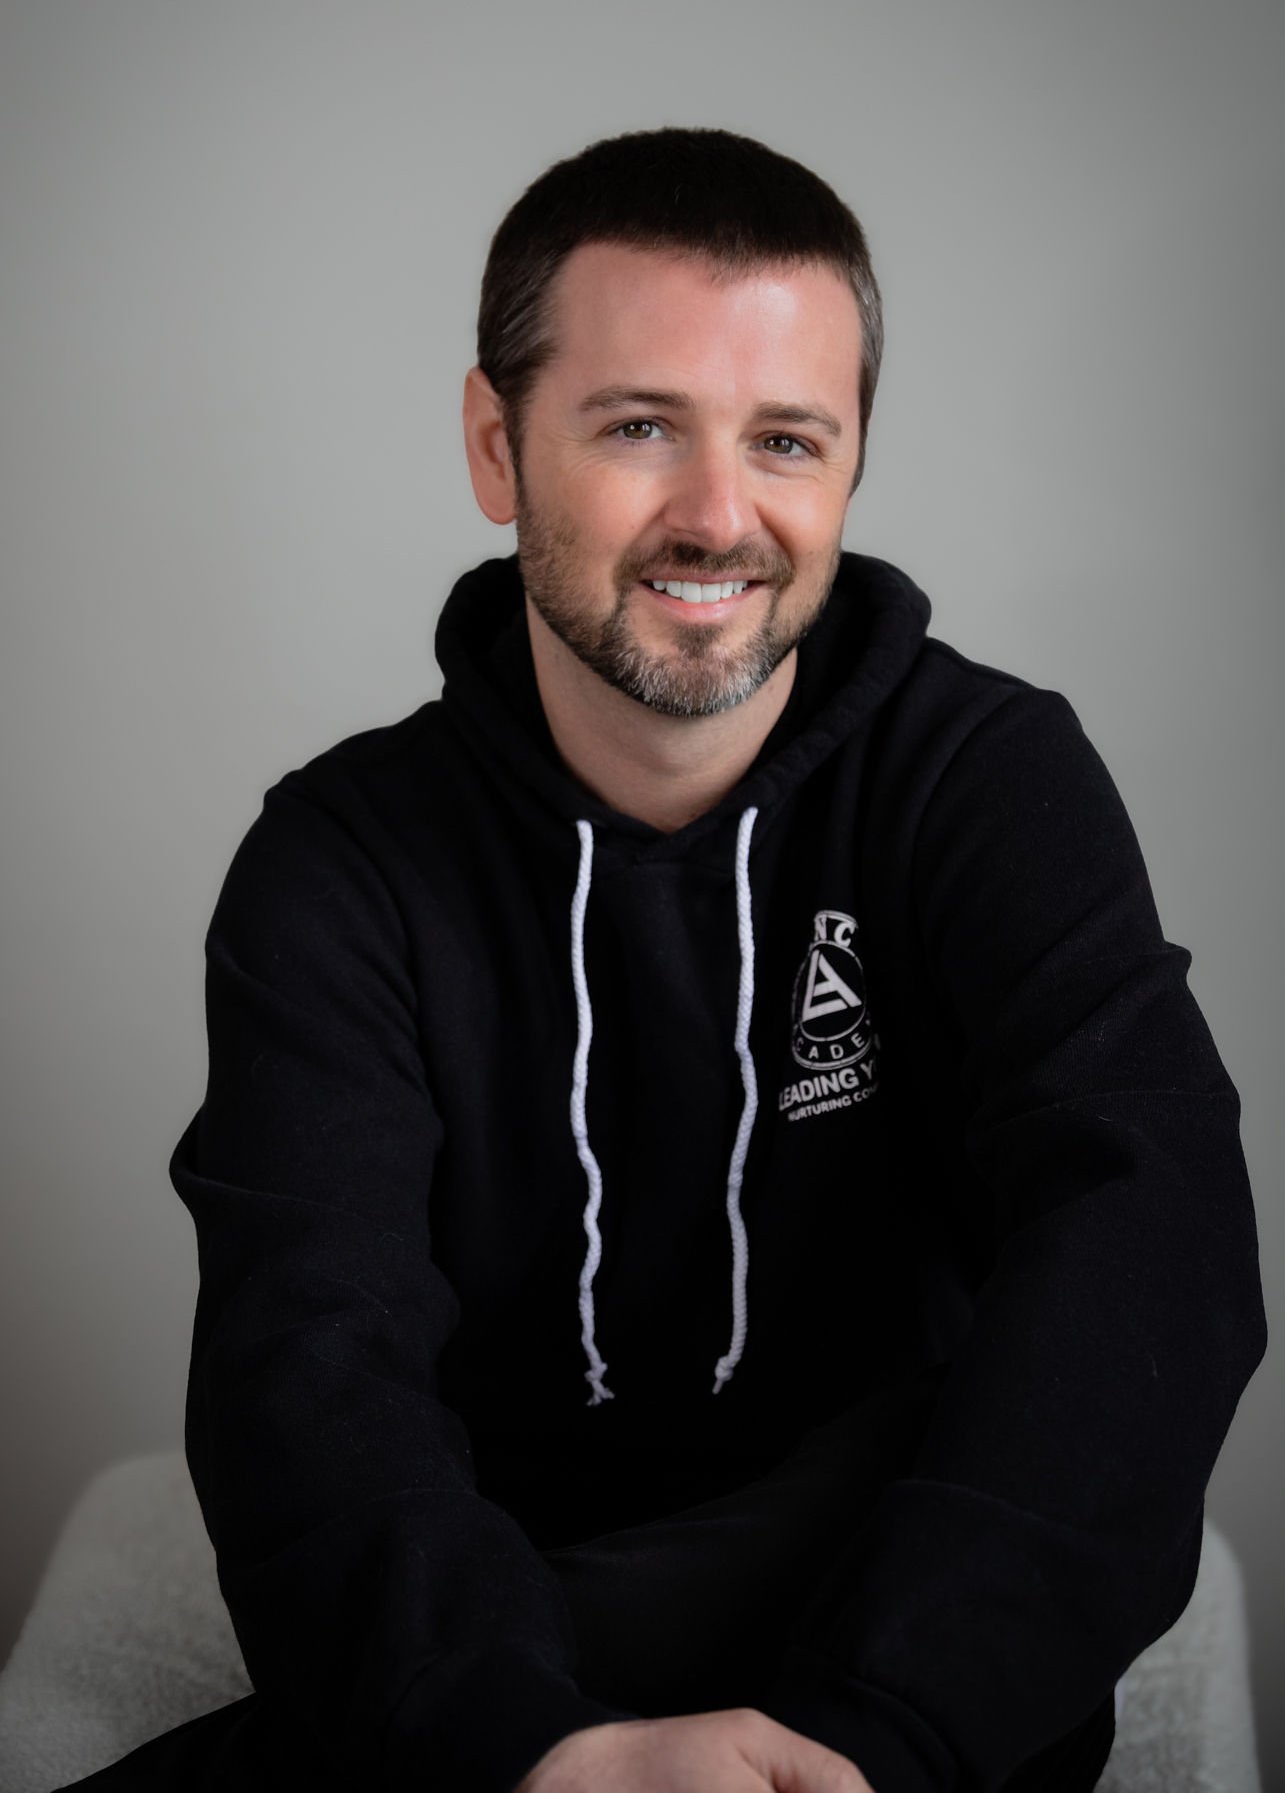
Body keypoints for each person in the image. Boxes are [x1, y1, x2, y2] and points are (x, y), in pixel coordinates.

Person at [67, 128, 1264, 1793]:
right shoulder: (337, 856)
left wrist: (877, 1737)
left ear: (849, 464)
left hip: (904, 1617)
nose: (719, 518)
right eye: (638, 427)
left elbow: (1151, 1245)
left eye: (786, 440)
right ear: (496, 446)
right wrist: (530, 1746)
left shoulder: (986, 779)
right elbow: (308, 1354)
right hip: (493, 1617)